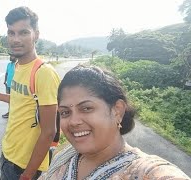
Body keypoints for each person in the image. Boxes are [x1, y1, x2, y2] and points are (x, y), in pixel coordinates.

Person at [38, 65, 190, 179]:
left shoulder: (145, 171)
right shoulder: (64, 158)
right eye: (65, 112)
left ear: (117, 110)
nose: (73, 121)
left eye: (86, 108)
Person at [0, 6, 60, 180]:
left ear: (36, 34)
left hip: (23, 165)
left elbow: (48, 131)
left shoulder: (43, 73)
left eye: (23, 32)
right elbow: (19, 100)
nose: (16, 39)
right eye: (11, 33)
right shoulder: (18, 66)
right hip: (8, 153)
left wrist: (28, 174)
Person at [2, 54, 17, 118]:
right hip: (8, 84)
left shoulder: (17, 65)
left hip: (14, 86)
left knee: (14, 100)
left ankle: (14, 113)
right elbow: (7, 73)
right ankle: (10, 112)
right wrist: (5, 81)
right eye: (10, 56)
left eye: (12, 56)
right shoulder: (9, 64)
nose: (10, 57)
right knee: (8, 100)